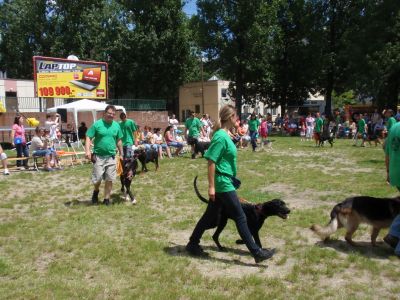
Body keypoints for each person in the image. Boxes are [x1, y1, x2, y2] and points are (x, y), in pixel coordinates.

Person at [185, 104, 275, 263]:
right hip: (222, 182)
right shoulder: (220, 136)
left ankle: (193, 243)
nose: (238, 119)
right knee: (240, 216)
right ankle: (256, 252)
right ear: (230, 117)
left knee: (209, 216)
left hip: (226, 182)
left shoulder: (225, 135)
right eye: (236, 116)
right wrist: (211, 186)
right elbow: (211, 161)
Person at [85, 105, 123, 206]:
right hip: (99, 157)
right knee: (97, 179)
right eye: (109, 113)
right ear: (104, 113)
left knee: (109, 179)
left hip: (111, 156)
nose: (111, 115)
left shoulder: (116, 125)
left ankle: (106, 199)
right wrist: (87, 151)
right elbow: (88, 137)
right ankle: (96, 191)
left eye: (113, 114)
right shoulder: (97, 124)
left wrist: (122, 153)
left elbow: (119, 140)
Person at [383, 121, 400, 257]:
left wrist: (388, 171)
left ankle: (394, 234)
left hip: (395, 172)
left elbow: (387, 151)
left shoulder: (395, 127)